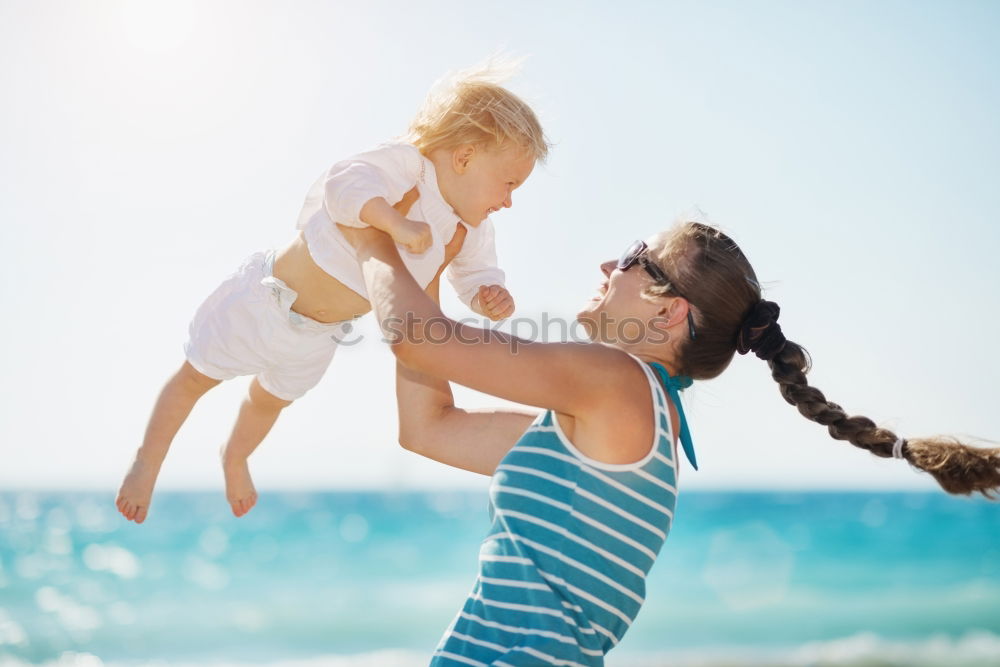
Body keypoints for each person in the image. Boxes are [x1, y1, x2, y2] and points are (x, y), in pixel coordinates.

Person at [341, 217, 1000, 666]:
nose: (608, 263)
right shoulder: (620, 423)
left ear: (668, 309)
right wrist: (420, 258)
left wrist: (373, 236)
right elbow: (428, 427)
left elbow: (410, 334)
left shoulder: (616, 383)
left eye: (633, 256)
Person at [115, 64, 547, 524]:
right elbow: (343, 185)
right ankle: (148, 460)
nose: (508, 201)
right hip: (268, 299)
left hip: (317, 336)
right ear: (464, 157)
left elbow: (476, 274)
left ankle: (235, 456)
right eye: (509, 183)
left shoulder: (472, 228)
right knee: (193, 379)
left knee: (269, 401)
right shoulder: (407, 166)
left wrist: (488, 295)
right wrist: (393, 221)